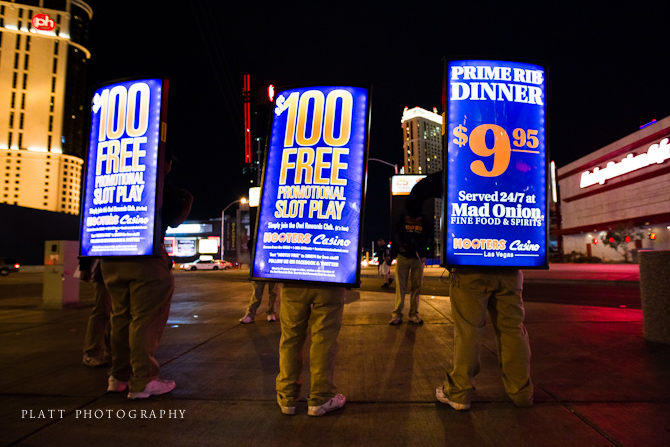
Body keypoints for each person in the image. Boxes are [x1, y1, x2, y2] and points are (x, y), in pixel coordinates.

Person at [408, 171, 533, 409]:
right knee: (513, 329)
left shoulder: (459, 166)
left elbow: (417, 193)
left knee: (468, 331)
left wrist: (415, 215)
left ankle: (459, 392)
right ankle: (521, 392)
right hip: (510, 260)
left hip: (471, 259)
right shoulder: (517, 167)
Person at [101, 151, 193, 400]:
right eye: (169, 160)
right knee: (145, 320)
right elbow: (175, 219)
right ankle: (143, 379)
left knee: (120, 317)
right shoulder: (160, 185)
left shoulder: (113, 179)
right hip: (146, 258)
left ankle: (118, 377)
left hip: (111, 256)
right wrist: (187, 199)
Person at [276, 283, 346, 417]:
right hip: (331, 281)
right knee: (324, 339)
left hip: (294, 280)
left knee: (291, 338)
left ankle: (287, 397)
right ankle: (321, 397)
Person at [389, 201, 432, 325]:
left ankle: (413, 314)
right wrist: (404, 245)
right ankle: (397, 314)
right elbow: (396, 235)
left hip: (417, 257)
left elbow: (428, 237)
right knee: (400, 287)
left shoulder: (425, 220)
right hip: (403, 255)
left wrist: (420, 248)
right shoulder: (401, 219)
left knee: (416, 287)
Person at [79, 258, 112, 367]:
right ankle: (91, 352)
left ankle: (110, 350)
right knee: (102, 310)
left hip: (114, 268)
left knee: (114, 311)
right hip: (103, 270)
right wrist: (84, 267)